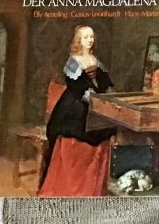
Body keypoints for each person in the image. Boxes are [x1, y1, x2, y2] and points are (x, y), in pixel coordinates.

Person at [39, 25, 115, 196]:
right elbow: (77, 87)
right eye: (86, 37)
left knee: (103, 129)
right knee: (77, 130)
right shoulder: (73, 61)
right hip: (76, 104)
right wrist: (95, 102)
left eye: (92, 37)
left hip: (97, 102)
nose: (90, 40)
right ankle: (70, 188)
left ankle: (91, 187)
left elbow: (105, 83)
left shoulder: (95, 59)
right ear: (78, 40)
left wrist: (108, 98)